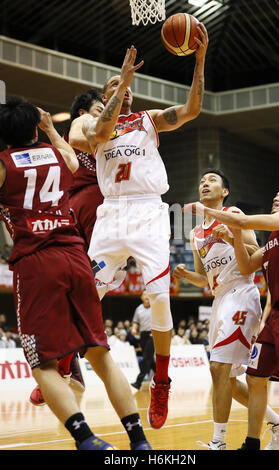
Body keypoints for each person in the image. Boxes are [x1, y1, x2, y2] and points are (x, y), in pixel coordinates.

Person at [73, 32, 209, 430]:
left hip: (148, 211)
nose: (125, 89)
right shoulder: (92, 126)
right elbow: (99, 134)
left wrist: (199, 59)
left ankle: (161, 381)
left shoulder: (148, 120)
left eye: (127, 85)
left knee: (160, 301)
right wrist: (124, 80)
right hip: (112, 213)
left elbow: (192, 109)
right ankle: (66, 362)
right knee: (87, 291)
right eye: (115, 85)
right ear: (107, 93)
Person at [0, 97, 151, 451]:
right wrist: (51, 128)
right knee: (101, 353)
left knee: (42, 364)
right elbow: (71, 158)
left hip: (37, 261)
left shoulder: (4, 165)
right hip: (76, 254)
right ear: (35, 127)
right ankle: (139, 440)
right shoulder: (58, 155)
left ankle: (85, 439)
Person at [174, 169, 279, 450]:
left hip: (242, 292)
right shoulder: (194, 233)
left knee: (219, 368)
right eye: (202, 180)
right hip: (219, 299)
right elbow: (204, 278)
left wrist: (230, 234)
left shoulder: (233, 212)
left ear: (224, 192)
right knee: (226, 376)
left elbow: (255, 250)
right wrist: (185, 275)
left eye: (212, 180)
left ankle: (219, 442)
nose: (205, 183)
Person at [29, 89, 106, 405]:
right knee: (71, 293)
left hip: (107, 211)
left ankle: (65, 364)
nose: (105, 111)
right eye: (100, 107)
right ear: (83, 112)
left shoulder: (116, 131)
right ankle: (64, 364)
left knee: (84, 294)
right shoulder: (74, 133)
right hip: (77, 207)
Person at [131, 290, 156, 391]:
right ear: (141, 297)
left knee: (146, 359)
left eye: (148, 294)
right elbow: (135, 321)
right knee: (150, 360)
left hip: (152, 334)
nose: (146, 296)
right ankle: (164, 379)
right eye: (144, 294)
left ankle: (138, 382)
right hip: (143, 336)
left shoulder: (155, 307)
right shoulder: (138, 309)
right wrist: (134, 328)